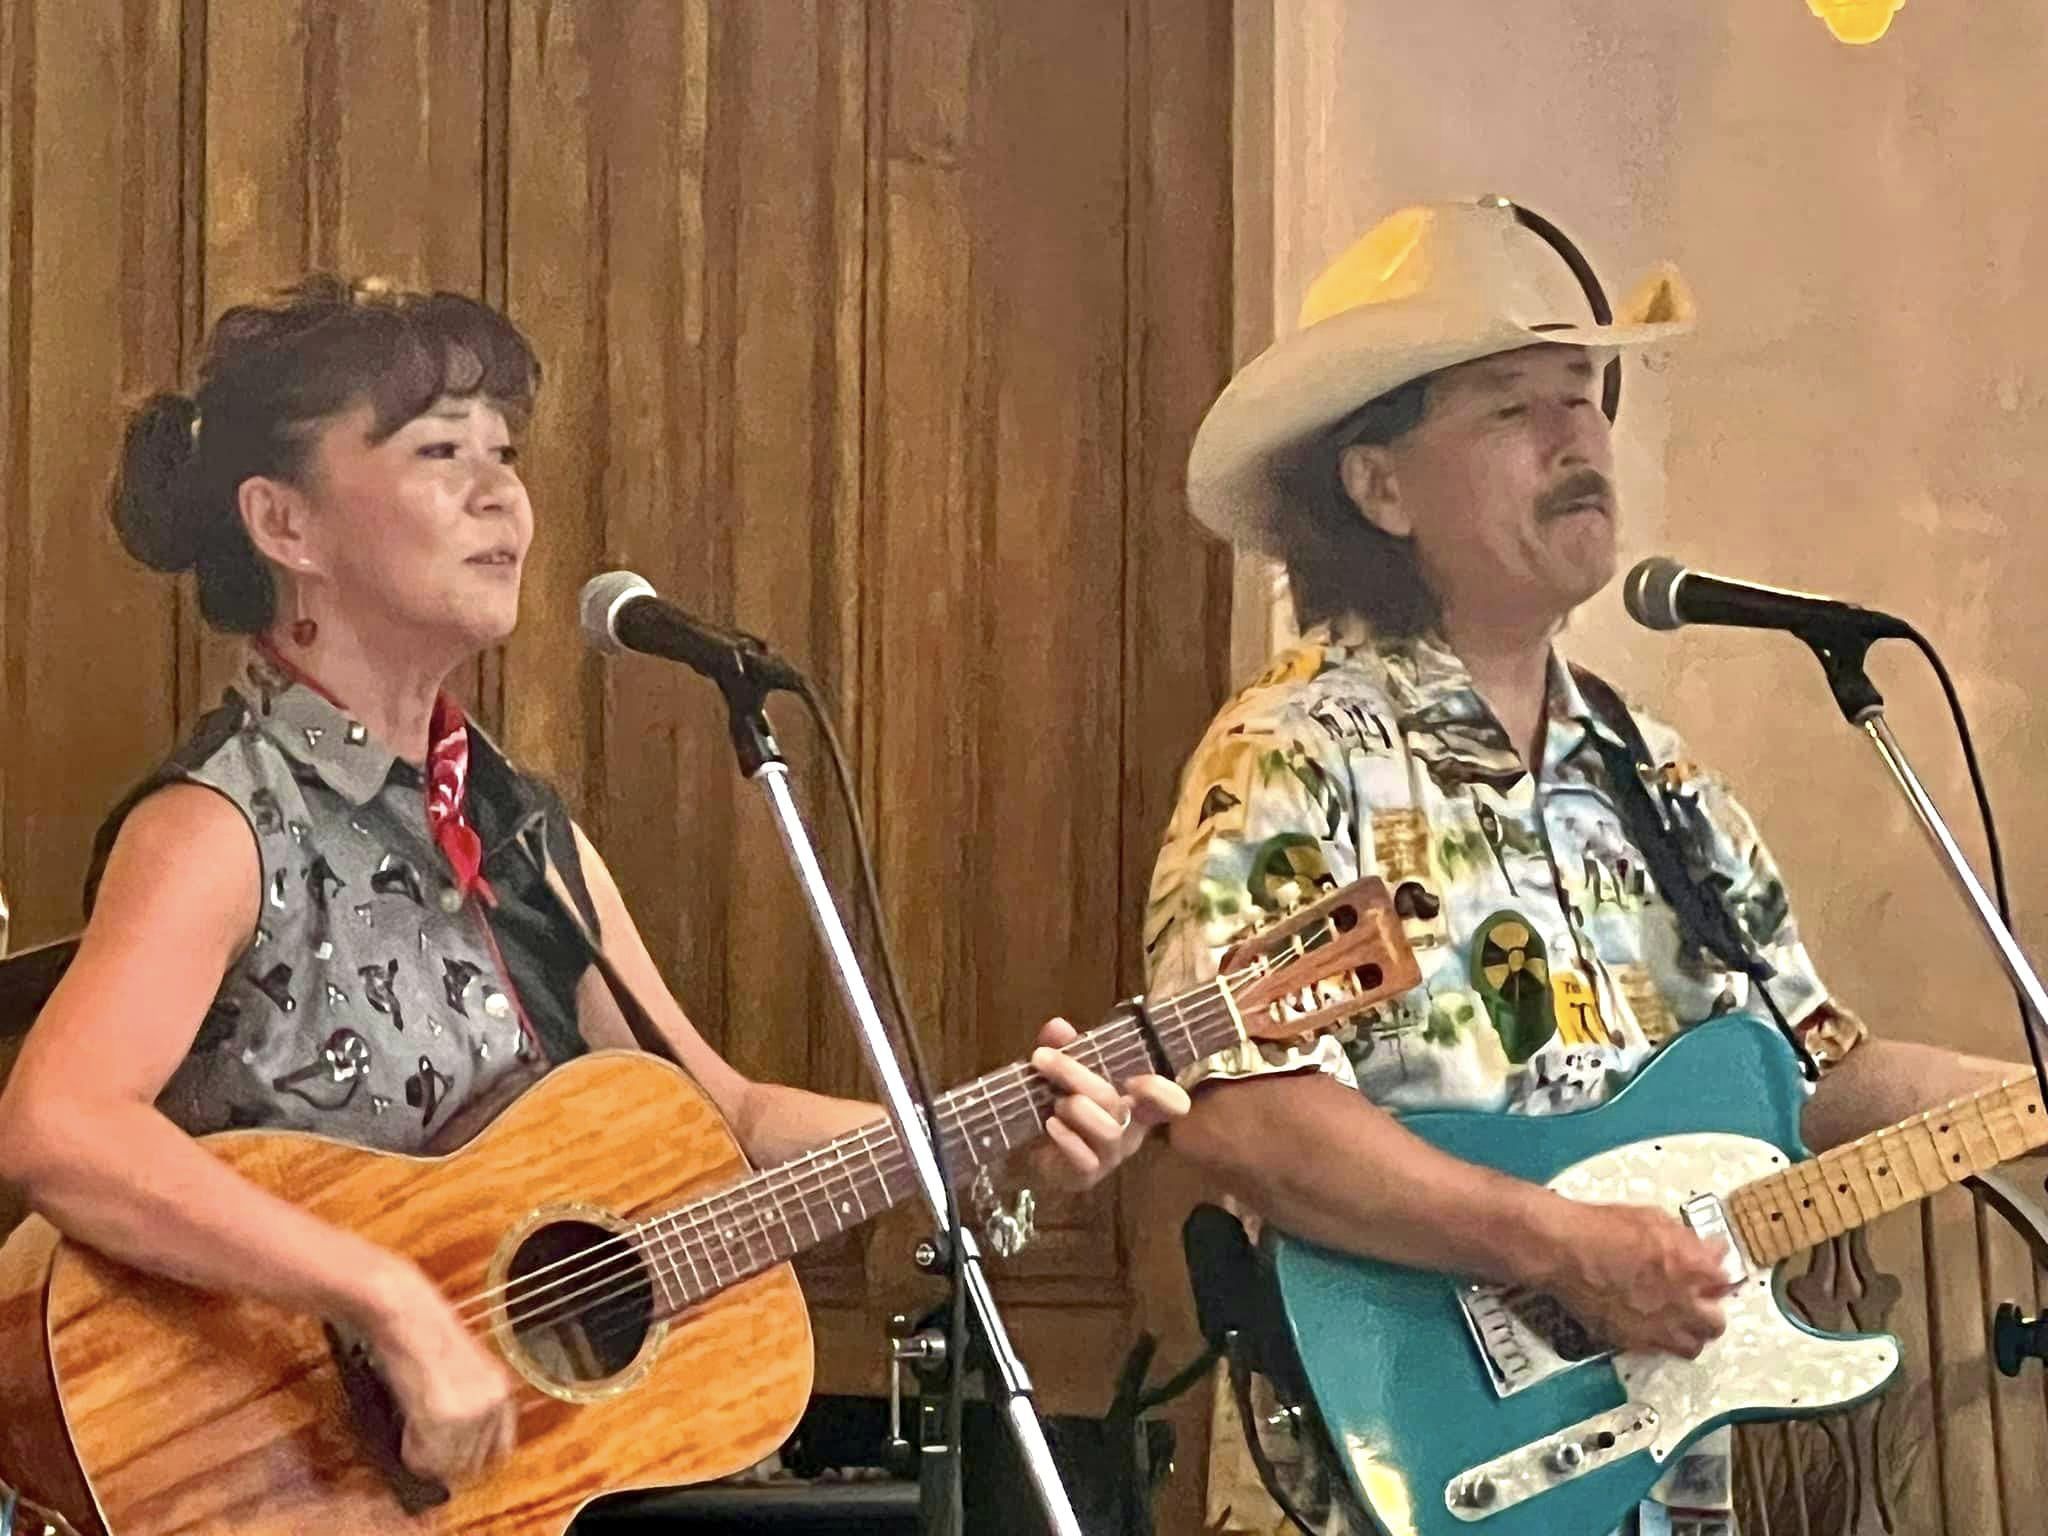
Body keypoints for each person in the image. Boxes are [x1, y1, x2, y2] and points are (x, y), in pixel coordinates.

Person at [0, 275, 1190, 1493]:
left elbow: (724, 1122)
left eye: (504, 451)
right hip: (249, 1462)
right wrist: (388, 1298)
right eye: (436, 450)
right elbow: (60, 1125)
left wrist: (987, 1142)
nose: (497, 490)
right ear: (286, 526)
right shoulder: (220, 822)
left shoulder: (521, 830)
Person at [1142, 199, 2015, 1534]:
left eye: (1584, 398)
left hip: (1665, 1486)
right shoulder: (1294, 752)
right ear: (1379, 487)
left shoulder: (1652, 773)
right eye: (1510, 409)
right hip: (1399, 1487)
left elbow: (1819, 1067)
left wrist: (2029, 1095)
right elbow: (1238, 1111)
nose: (1576, 441)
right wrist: (1557, 1247)